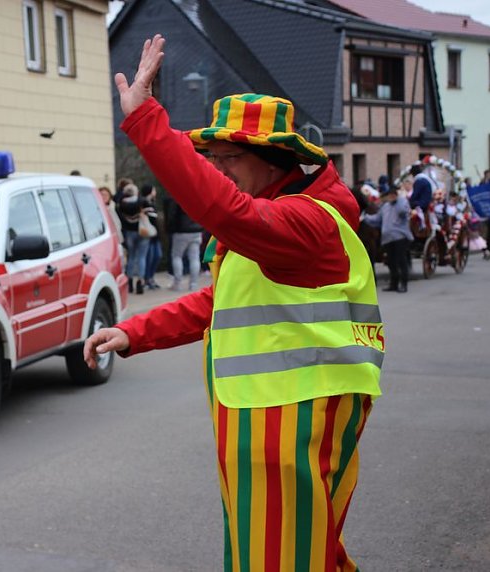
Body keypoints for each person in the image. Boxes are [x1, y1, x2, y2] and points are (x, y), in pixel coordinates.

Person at [83, 35, 383, 571]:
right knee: (292, 553)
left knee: (283, 560)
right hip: (266, 417)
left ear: (274, 160)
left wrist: (147, 120)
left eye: (231, 157)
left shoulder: (305, 221)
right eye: (212, 157)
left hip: (289, 420)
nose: (218, 167)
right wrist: (134, 332)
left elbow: (223, 209)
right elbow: (220, 302)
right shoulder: (277, 217)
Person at [363, 186, 413, 292]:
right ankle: (393, 284)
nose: (391, 197)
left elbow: (403, 211)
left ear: (396, 195)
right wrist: (365, 217)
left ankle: (403, 284)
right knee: (391, 262)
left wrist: (399, 199)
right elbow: (377, 219)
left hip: (400, 237)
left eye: (393, 195)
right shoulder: (385, 207)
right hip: (388, 238)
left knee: (401, 260)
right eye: (390, 195)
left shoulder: (402, 203)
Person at [165, 194, 204, 291]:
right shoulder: (196, 197)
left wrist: (170, 228)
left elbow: (172, 214)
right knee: (194, 258)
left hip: (181, 231)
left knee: (177, 256)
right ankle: (193, 284)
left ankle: (177, 284)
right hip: (196, 230)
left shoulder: (178, 197)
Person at [118, 183, 151, 294]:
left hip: (129, 232)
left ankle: (129, 281)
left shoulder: (122, 204)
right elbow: (151, 213)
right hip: (142, 231)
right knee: (142, 257)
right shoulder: (142, 202)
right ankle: (140, 281)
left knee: (131, 257)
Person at [140, 184, 163, 289]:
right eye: (153, 190)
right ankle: (147, 279)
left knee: (157, 255)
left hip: (155, 235)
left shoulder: (152, 203)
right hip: (148, 234)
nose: (155, 192)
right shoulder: (144, 203)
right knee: (150, 257)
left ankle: (151, 277)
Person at [99, 186, 124, 261]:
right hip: (104, 242)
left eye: (106, 195)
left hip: (116, 240)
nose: (104, 197)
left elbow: (117, 224)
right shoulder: (97, 209)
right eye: (102, 194)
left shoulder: (111, 207)